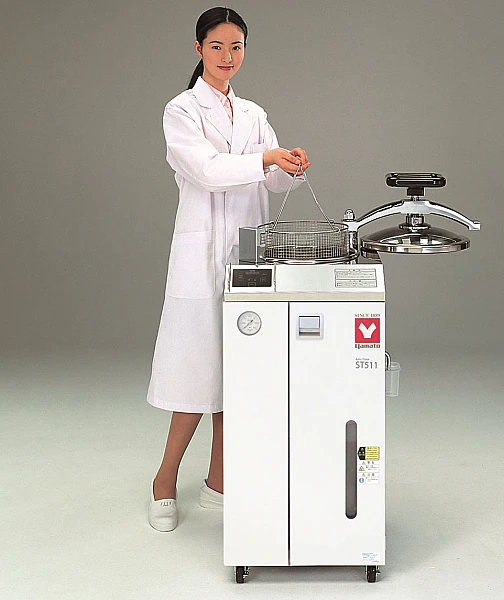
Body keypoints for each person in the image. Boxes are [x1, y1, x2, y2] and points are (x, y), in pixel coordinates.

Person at [146, 6, 310, 532]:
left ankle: (219, 481)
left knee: (241, 370)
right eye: (216, 46)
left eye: (236, 47)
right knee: (196, 371)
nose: (227, 56)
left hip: (247, 253)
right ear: (199, 50)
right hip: (201, 257)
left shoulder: (254, 114)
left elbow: (272, 182)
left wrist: (289, 165)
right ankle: (165, 481)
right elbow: (207, 170)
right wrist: (266, 160)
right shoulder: (181, 110)